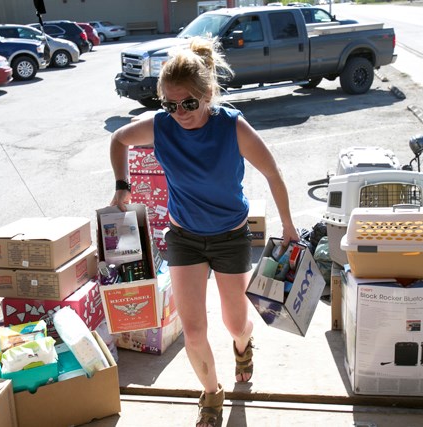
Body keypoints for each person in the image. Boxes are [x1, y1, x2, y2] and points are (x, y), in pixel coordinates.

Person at [109, 37, 299, 427]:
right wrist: (121, 185)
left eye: (189, 104)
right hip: (184, 238)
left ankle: (243, 348)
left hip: (231, 236)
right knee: (194, 331)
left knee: (235, 323)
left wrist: (289, 225)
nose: (180, 113)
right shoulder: (161, 127)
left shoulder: (232, 126)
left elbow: (273, 173)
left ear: (208, 94)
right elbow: (118, 139)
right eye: (170, 105)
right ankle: (211, 394)